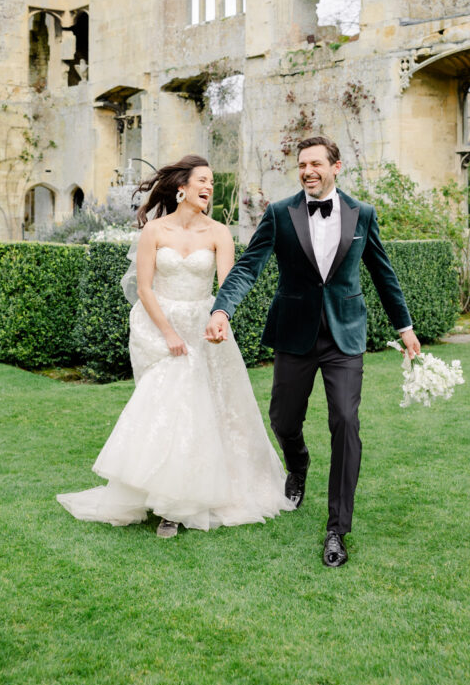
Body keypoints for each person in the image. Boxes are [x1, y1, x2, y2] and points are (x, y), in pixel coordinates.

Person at [205, 135, 421, 567]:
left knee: (345, 420)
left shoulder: (363, 214)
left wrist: (405, 326)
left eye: (316, 164)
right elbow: (249, 265)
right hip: (295, 334)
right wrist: (222, 308)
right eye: (302, 164)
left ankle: (337, 529)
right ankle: (298, 463)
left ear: (336, 167)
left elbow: (383, 272)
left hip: (345, 337)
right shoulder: (280, 213)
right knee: (283, 419)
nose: (307, 171)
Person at [57, 154, 294, 537]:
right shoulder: (155, 232)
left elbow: (227, 287)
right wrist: (168, 333)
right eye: (203, 180)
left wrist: (221, 320)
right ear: (181, 187)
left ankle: (180, 503)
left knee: (205, 410)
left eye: (213, 183)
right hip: (160, 325)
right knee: (168, 406)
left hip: (203, 327)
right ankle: (163, 495)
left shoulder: (219, 232)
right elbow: (145, 289)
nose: (209, 188)